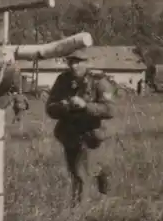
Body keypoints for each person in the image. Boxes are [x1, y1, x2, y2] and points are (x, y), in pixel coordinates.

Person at [45, 48, 116, 207]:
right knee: (77, 173)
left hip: (92, 135)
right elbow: (49, 108)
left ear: (87, 63)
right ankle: (84, 207)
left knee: (85, 174)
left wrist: (86, 106)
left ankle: (80, 210)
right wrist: (62, 106)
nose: (74, 66)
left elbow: (111, 110)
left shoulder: (98, 82)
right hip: (70, 134)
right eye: (71, 62)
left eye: (78, 62)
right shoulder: (63, 80)